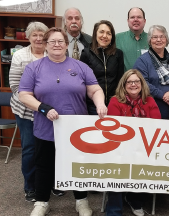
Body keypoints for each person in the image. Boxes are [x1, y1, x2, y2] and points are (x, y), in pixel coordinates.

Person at [18, 27, 107, 216]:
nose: (57, 45)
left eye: (61, 41)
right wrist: (43, 107)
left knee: (77, 165)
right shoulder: (34, 67)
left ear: (67, 45)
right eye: (52, 42)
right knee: (44, 165)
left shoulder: (80, 67)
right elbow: (24, 94)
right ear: (45, 45)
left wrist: (100, 104)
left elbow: (95, 89)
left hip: (76, 130)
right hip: (46, 128)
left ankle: (81, 201)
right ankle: (42, 202)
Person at [106, 69, 161, 216]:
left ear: (142, 84)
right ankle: (113, 210)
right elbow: (114, 129)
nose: (133, 84)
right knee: (116, 171)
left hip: (143, 147)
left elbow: (156, 125)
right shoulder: (115, 101)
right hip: (121, 148)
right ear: (123, 85)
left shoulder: (149, 101)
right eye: (129, 82)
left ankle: (134, 200)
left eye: (136, 81)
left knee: (149, 167)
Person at [9, 21, 48, 202]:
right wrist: (35, 103)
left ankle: (50, 184)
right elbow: (15, 86)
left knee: (50, 148)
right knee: (30, 149)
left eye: (42, 35)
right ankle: (30, 187)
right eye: (35, 35)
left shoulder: (52, 53)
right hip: (26, 112)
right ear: (28, 37)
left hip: (49, 112)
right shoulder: (20, 56)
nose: (39, 39)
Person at [134, 25, 169, 119]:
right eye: (155, 37)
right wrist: (163, 96)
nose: (159, 40)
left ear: (166, 40)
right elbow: (142, 83)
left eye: (162, 36)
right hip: (152, 107)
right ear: (150, 41)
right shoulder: (142, 61)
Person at [80, 20, 124, 114]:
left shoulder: (118, 54)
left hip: (114, 103)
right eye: (101, 32)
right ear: (95, 33)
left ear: (112, 37)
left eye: (109, 33)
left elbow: (120, 80)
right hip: (92, 105)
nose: (105, 36)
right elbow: (82, 81)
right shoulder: (86, 54)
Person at [116, 7, 148, 71]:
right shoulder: (117, 38)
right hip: (124, 80)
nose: (136, 20)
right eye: (132, 17)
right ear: (128, 21)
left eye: (139, 17)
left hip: (146, 80)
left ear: (144, 21)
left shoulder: (152, 39)